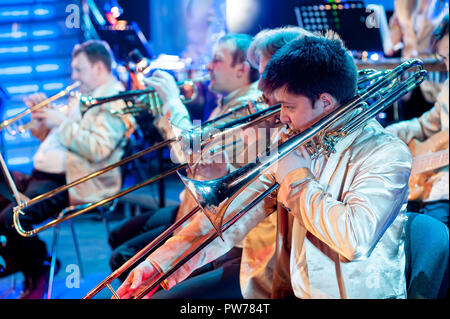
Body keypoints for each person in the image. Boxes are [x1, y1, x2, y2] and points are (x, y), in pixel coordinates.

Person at [116, 34, 412, 299]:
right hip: (287, 289)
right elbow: (232, 216)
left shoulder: (386, 152)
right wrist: (161, 264)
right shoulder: (295, 139)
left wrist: (297, 178)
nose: (281, 117)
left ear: (325, 102)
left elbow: (354, 239)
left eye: (289, 106)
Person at [107, 33, 261, 298]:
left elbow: (188, 152)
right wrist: (162, 110)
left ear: (242, 69)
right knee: (121, 240)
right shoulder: (226, 103)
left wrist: (172, 102)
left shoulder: (248, 109)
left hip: (211, 224)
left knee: (125, 255)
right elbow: (186, 152)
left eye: (217, 60)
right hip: (190, 209)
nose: (208, 66)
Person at [0, 40, 135, 299]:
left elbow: (98, 149)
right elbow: (50, 138)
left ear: (98, 68)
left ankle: (37, 269)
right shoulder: (80, 97)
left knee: (13, 218)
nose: (73, 76)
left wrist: (60, 122)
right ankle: (32, 260)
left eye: (78, 70)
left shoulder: (114, 101)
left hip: (73, 181)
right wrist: (41, 114)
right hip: (42, 175)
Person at [386, 14, 449, 299]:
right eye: (445, 59)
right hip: (434, 182)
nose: (448, 67)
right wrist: (388, 132)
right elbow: (430, 123)